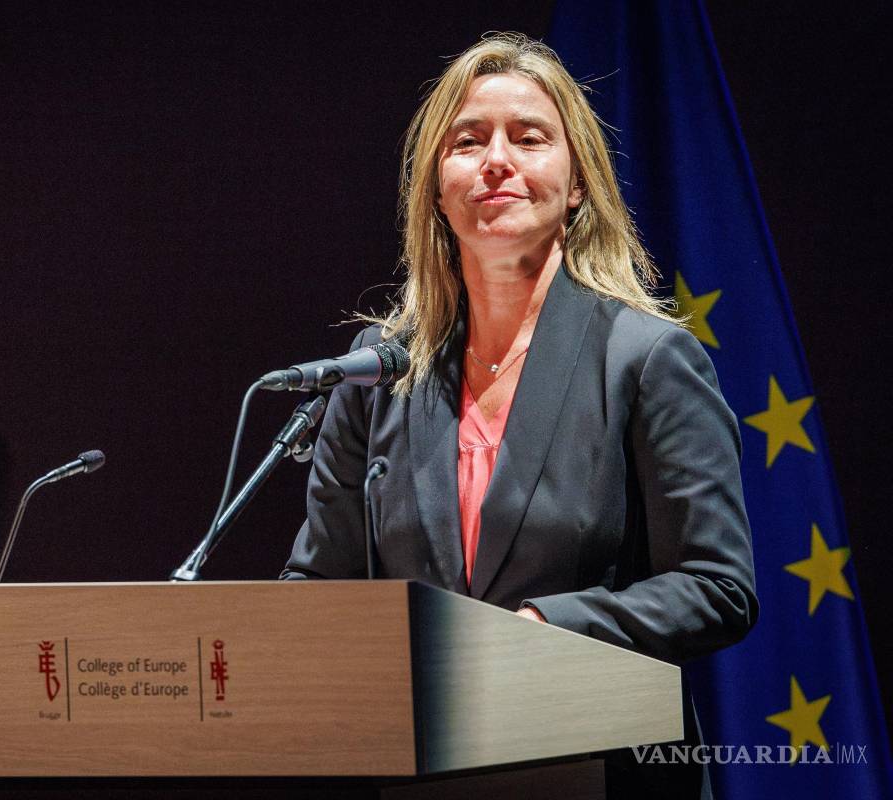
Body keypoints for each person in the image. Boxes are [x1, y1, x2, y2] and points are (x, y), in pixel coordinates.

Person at [281, 32, 758, 798]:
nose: (496, 159)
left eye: (529, 137)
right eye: (467, 142)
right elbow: (321, 588)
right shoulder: (379, 370)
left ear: (575, 186)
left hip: (599, 767)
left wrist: (542, 630)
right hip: (419, 769)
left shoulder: (646, 359)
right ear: (438, 190)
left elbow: (715, 586)